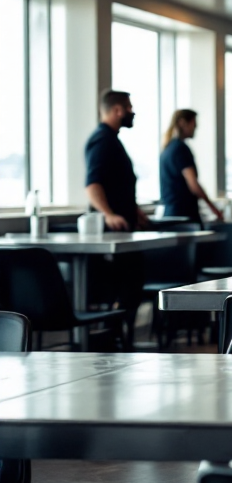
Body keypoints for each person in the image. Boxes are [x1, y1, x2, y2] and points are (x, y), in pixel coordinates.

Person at [83, 89, 146, 347]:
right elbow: (92, 184)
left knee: (132, 280)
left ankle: (115, 335)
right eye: (129, 108)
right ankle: (110, 336)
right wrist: (108, 214)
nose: (132, 112)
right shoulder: (102, 140)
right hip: (113, 231)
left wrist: (136, 211)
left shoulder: (111, 139)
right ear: (118, 110)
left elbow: (116, 184)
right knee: (128, 281)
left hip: (124, 227)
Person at [159, 109, 223, 224]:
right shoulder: (180, 149)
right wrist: (214, 209)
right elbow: (193, 185)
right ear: (183, 123)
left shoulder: (167, 148)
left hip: (171, 213)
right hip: (184, 215)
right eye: (194, 124)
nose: (195, 128)